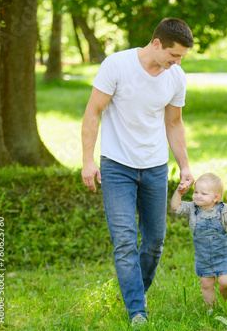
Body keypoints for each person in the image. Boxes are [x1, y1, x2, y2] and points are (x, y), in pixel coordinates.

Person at [81, 18, 195, 325]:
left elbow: (174, 123)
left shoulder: (176, 77)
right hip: (117, 167)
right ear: (157, 44)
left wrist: (184, 165)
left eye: (182, 57)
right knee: (125, 240)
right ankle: (136, 311)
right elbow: (93, 111)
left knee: (155, 241)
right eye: (174, 55)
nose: (177, 62)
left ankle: (135, 291)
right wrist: (87, 160)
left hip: (155, 168)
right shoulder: (116, 65)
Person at [171, 173, 227, 312]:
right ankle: (211, 309)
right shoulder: (192, 208)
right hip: (203, 256)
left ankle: (226, 300)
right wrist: (178, 193)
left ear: (216, 197)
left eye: (203, 193)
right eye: (196, 192)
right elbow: (176, 207)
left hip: (222, 255)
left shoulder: (222, 209)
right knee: (206, 284)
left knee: (225, 283)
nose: (197, 195)